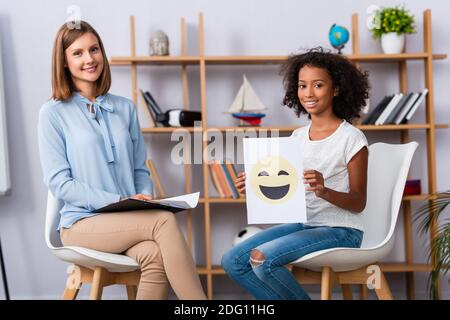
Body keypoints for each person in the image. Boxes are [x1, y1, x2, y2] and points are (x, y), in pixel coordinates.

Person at [38, 20, 206, 300]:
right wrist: (116, 200)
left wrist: (145, 197)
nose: (89, 59)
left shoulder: (125, 108)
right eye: (77, 53)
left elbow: (141, 168)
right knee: (163, 222)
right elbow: (59, 183)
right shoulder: (52, 113)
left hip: (126, 219)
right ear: (64, 62)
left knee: (154, 255)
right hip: (80, 223)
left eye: (94, 49)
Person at [221, 47, 370, 300]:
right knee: (233, 260)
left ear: (336, 89)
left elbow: (358, 202)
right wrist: (256, 186)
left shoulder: (352, 138)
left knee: (261, 259)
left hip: (342, 230)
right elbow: (288, 189)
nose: (308, 93)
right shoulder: (297, 138)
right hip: (304, 224)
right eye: (302, 86)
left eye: (318, 85)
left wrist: (324, 191)